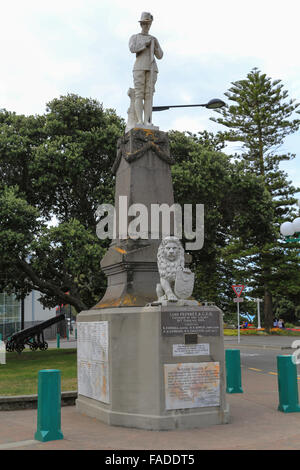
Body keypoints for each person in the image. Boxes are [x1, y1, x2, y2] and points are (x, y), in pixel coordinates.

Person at [129, 12, 163, 127]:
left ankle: (147, 121)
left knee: (149, 95)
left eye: (148, 24)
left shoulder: (154, 39)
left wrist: (156, 45)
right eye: (144, 23)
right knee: (139, 94)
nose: (146, 26)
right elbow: (132, 49)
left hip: (152, 67)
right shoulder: (135, 37)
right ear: (141, 24)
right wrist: (145, 44)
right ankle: (139, 120)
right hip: (139, 67)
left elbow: (160, 55)